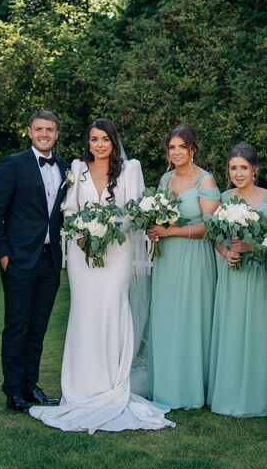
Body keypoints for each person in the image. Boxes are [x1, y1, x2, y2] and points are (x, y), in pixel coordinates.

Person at [29, 118, 175, 433]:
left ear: (113, 141)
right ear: (88, 142)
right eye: (94, 139)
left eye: (105, 139)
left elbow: (134, 211)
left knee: (112, 308)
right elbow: (69, 210)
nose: (99, 145)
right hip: (82, 254)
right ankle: (82, 385)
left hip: (117, 253)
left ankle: (112, 381)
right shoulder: (78, 169)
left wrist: (109, 230)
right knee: (85, 314)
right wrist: (81, 232)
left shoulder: (130, 169)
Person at [0, 111, 67, 411]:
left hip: (50, 260)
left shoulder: (63, 166)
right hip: (19, 259)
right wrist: (3, 256)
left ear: (56, 133)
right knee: (17, 325)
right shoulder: (13, 164)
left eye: (50, 129)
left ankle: (31, 385)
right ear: (29, 132)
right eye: (39, 129)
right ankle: (13, 390)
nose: (44, 134)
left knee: (38, 326)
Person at [146, 125, 220, 409]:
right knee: (167, 319)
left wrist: (170, 232)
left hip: (193, 257)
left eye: (182, 147)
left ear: (193, 149)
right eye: (171, 147)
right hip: (166, 259)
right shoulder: (165, 179)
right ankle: (166, 385)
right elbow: (159, 217)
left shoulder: (206, 181)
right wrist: (154, 229)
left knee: (190, 319)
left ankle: (189, 389)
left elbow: (209, 227)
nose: (176, 152)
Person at [207, 142, 267, 417]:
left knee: (258, 330)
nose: (238, 173)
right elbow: (214, 233)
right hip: (232, 273)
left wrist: (252, 247)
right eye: (233, 168)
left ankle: (256, 395)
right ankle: (228, 391)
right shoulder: (224, 198)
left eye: (243, 168)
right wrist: (226, 252)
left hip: (259, 273)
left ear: (255, 170)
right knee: (232, 328)